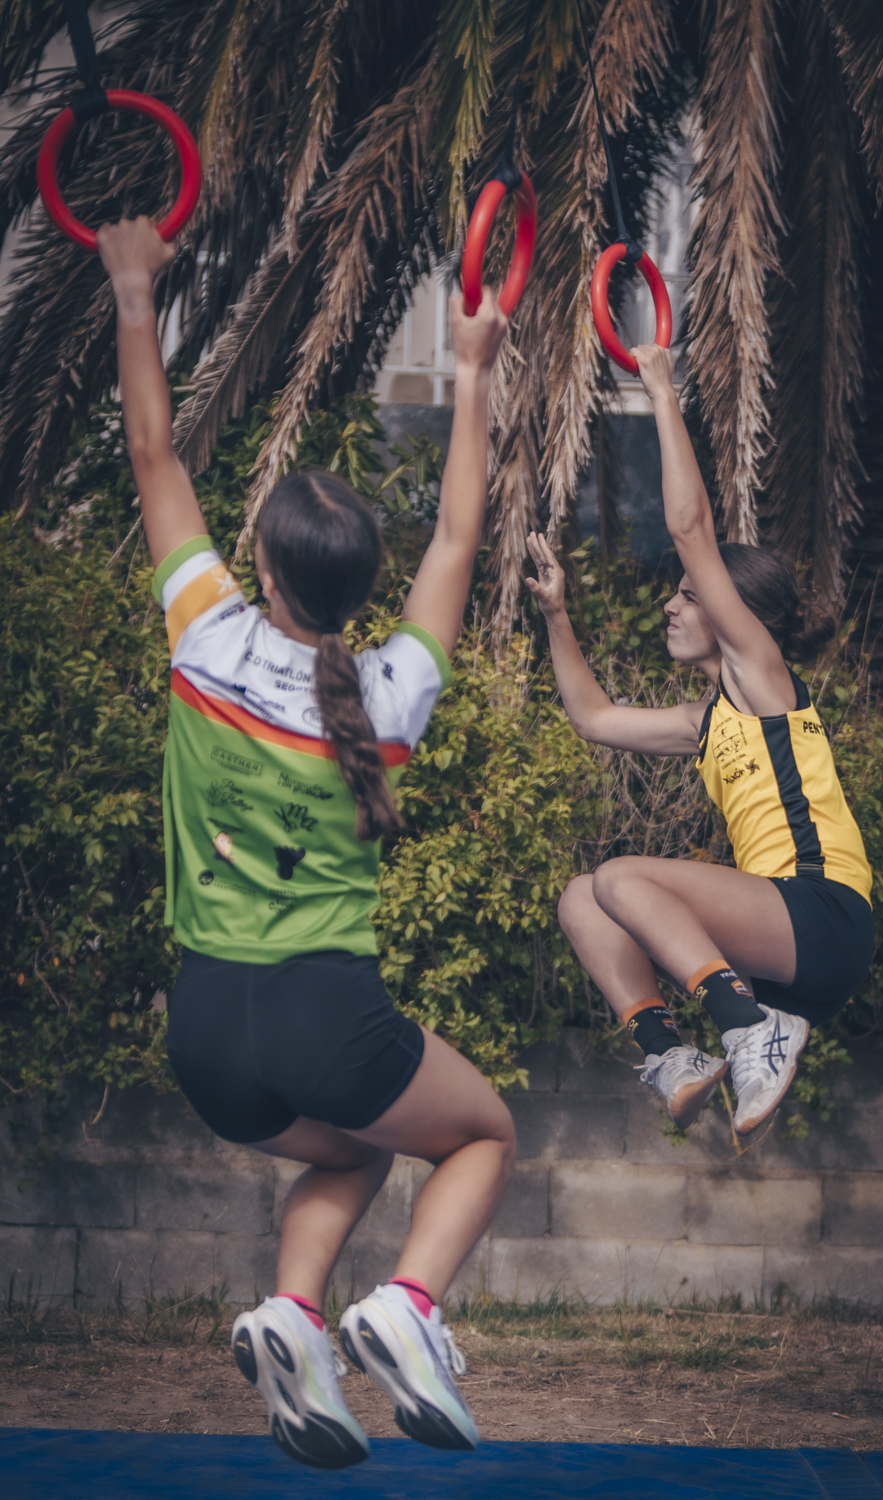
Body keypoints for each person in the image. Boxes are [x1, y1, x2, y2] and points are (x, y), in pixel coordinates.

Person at [97, 217, 514, 1470]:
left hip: (203, 1031)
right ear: (355, 587)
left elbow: (152, 449)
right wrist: (473, 370)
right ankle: (407, 1308)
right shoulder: (388, 694)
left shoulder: (204, 633)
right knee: (481, 1134)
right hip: (320, 1014)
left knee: (355, 1152)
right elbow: (457, 540)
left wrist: (133, 290)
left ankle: (293, 1317)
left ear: (263, 569)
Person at [525, 344, 873, 1137]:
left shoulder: (763, 676)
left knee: (621, 877)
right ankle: (671, 1053)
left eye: (689, 595)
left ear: (736, 614)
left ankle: (747, 1026)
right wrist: (556, 615)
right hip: (780, 951)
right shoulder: (708, 718)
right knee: (583, 897)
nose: (673, 607)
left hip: (824, 914)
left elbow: (690, 527)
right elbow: (594, 719)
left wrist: (659, 386)